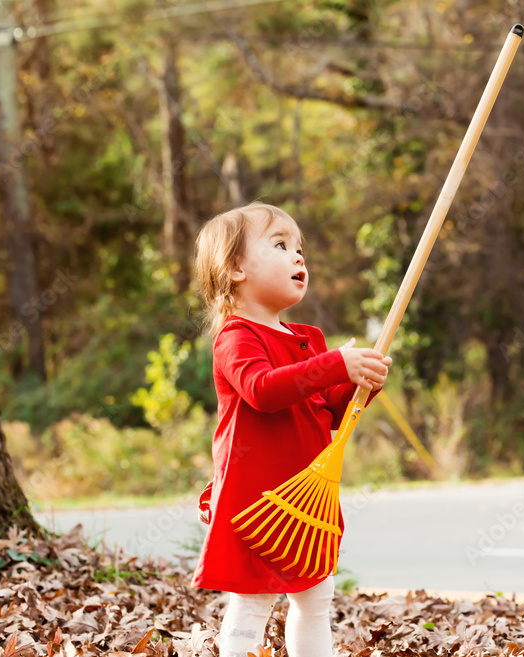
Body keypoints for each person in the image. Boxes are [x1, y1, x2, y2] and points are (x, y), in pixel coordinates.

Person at [190, 201, 392, 657]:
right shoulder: (236, 337)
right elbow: (263, 390)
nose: (299, 256)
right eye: (281, 245)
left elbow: (329, 412)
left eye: (300, 247)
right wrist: (335, 364)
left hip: (306, 495)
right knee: (254, 600)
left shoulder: (309, 340)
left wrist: (362, 384)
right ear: (236, 268)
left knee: (315, 598)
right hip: (258, 499)